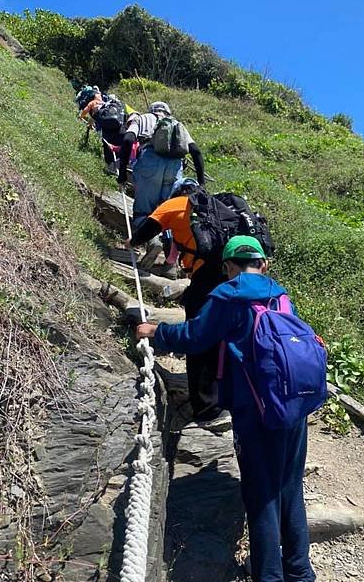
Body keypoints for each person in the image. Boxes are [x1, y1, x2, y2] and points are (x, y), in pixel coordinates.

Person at [136, 236, 316, 582]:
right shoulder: (279, 294)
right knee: (290, 488)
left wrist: (155, 331)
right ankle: (300, 572)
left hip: (257, 410)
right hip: (294, 404)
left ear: (229, 267)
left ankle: (269, 577)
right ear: (263, 264)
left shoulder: (228, 295)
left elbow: (195, 336)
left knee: (261, 494)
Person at [126, 178, 226, 420]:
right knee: (221, 333)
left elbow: (146, 231)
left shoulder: (173, 205)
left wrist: (131, 242)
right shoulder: (214, 208)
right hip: (229, 271)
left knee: (199, 337)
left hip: (205, 276)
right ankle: (224, 394)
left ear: (178, 192)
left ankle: (206, 408)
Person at [117, 101, 205, 227]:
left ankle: (152, 241)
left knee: (143, 212)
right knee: (168, 211)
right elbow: (195, 151)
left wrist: (122, 172)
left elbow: (128, 139)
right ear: (168, 112)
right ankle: (167, 242)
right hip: (174, 167)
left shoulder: (142, 118)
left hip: (150, 163)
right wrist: (201, 183)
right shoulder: (176, 124)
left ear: (151, 110)